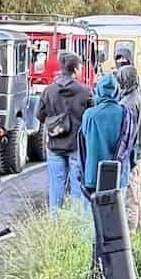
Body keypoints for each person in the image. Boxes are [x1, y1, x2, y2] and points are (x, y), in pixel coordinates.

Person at [37, 51, 93, 213]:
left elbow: (39, 115)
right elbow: (92, 116)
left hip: (55, 145)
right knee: (78, 189)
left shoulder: (49, 90)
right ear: (75, 69)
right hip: (76, 145)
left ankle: (56, 225)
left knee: (56, 188)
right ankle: (75, 226)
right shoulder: (84, 91)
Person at [78, 73, 135, 198]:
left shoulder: (90, 115)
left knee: (92, 215)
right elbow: (132, 146)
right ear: (116, 91)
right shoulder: (126, 114)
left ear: (98, 90)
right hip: (119, 175)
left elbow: (83, 144)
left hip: (93, 176)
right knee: (118, 214)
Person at [114, 64, 141, 232]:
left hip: (133, 154)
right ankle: (139, 226)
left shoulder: (128, 103)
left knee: (131, 195)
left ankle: (131, 230)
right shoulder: (139, 98)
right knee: (136, 191)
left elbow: (127, 135)